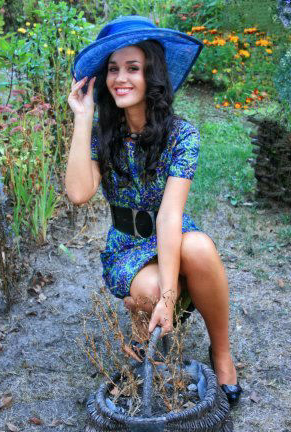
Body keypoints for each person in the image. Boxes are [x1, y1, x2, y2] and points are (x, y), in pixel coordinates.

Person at [65, 16, 242, 405]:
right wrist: (83, 117)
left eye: (133, 68)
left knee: (199, 248)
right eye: (113, 69)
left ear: (153, 75)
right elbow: (78, 193)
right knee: (147, 291)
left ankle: (221, 352)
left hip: (170, 232)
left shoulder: (182, 136)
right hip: (126, 246)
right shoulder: (101, 135)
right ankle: (145, 317)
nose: (120, 78)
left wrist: (169, 294)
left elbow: (169, 215)